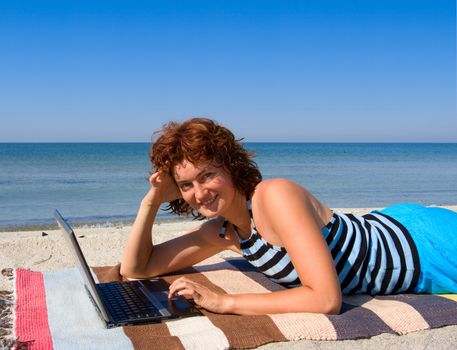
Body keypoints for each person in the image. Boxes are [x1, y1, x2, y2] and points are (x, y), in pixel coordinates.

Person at [120, 118, 457, 315]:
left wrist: (224, 302)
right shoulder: (224, 232)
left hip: (426, 246)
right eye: (186, 185)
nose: (199, 192)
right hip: (392, 225)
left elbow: (326, 299)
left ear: (232, 167)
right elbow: (137, 268)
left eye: (207, 175)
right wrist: (150, 202)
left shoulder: (274, 196)